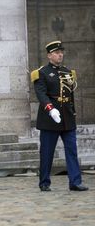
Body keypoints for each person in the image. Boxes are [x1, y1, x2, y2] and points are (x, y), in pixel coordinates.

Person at [31, 40, 88, 192]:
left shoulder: (68, 72)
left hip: (67, 118)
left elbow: (71, 96)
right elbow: (41, 94)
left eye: (61, 52)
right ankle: (44, 182)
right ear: (49, 55)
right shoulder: (41, 73)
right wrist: (50, 109)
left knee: (72, 151)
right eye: (57, 53)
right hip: (50, 118)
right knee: (47, 152)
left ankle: (75, 182)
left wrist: (73, 112)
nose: (60, 55)